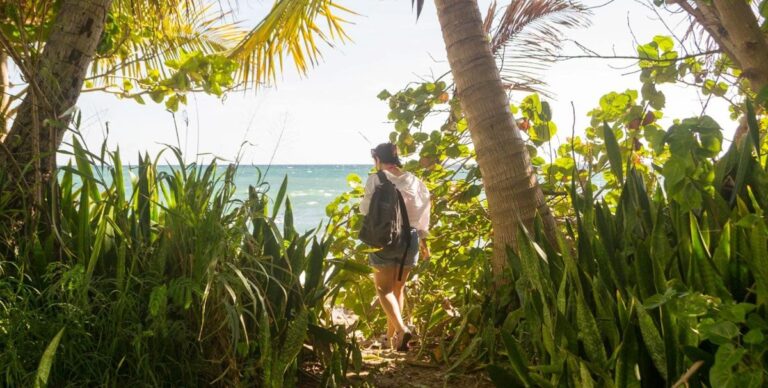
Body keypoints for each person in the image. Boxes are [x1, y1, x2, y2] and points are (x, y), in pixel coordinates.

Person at [360, 142, 431, 351]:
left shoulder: (376, 179)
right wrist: (424, 239)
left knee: (384, 290)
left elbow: (365, 209)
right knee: (398, 289)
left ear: (377, 159)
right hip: (411, 240)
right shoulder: (415, 181)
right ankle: (392, 340)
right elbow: (423, 212)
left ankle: (400, 329)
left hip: (385, 239)